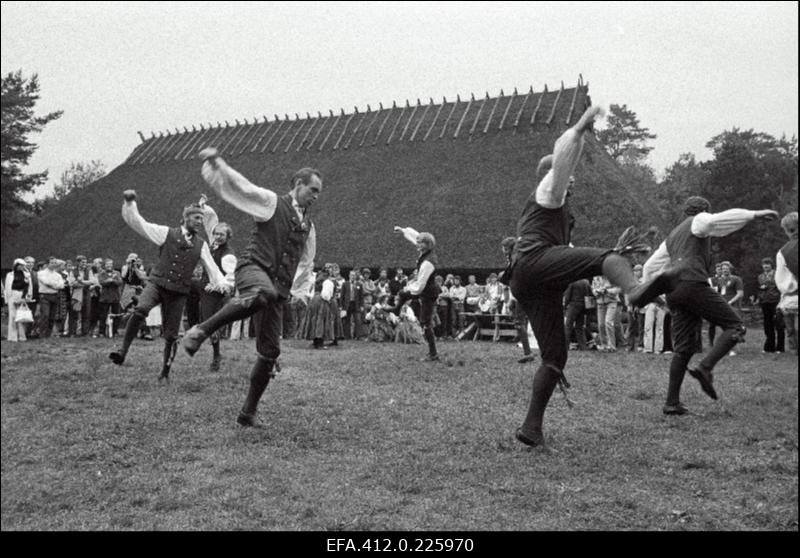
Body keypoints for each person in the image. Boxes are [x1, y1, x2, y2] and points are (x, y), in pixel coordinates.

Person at [504, 105, 677, 448]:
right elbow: (563, 157)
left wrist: (598, 262)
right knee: (610, 258)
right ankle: (636, 291)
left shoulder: (556, 211)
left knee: (555, 356)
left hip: (530, 279)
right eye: (567, 177)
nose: (571, 182)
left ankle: (531, 428)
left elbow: (569, 255)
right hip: (533, 264)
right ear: (554, 175)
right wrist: (578, 130)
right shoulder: (548, 194)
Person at [182, 147, 319, 427]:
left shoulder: (309, 226)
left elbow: (306, 261)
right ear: (298, 185)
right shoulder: (271, 202)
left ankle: (247, 414)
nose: (316, 196)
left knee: (270, 352)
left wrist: (301, 292)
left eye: (318, 192)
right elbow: (242, 187)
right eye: (313, 190)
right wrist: (218, 164)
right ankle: (200, 331)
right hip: (253, 269)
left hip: (277, 290)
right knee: (262, 293)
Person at [642, 196, 778, 415]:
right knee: (735, 327)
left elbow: (649, 269)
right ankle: (705, 368)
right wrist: (754, 215)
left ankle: (671, 402)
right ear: (702, 210)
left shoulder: (672, 237)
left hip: (674, 292)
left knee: (683, 349)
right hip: (692, 284)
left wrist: (659, 301)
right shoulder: (698, 221)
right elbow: (714, 222)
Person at [108, 190, 225, 381]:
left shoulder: (201, 245)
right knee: (141, 310)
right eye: (196, 217)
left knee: (171, 335)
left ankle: (165, 371)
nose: (199, 222)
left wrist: (224, 285)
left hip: (178, 292)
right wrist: (130, 204)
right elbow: (140, 224)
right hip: (157, 283)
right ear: (185, 218)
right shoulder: (166, 233)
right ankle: (122, 351)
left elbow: (213, 270)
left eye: (201, 219)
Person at [388, 226, 441, 361]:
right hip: (426, 290)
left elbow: (420, 285)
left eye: (420, 243)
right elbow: (416, 237)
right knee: (403, 294)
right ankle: (396, 308)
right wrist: (403, 230)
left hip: (427, 292)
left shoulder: (428, 263)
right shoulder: (426, 251)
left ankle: (433, 353)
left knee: (425, 322)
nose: (417, 244)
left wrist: (407, 289)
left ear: (427, 245)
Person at [501, 236, 536, 362]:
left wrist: (513, 298)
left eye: (505, 248)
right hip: (520, 294)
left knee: (519, 323)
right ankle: (529, 351)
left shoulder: (516, 261)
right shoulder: (514, 259)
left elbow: (516, 280)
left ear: (510, 249)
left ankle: (528, 352)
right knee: (522, 323)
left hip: (521, 294)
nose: (503, 250)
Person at [775, 211, 798, 355]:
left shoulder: (783, 252)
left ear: (790, 230)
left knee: (793, 329)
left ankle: (795, 350)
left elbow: (781, 281)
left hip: (793, 297)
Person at [754, 257, 785, 354]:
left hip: (776, 301)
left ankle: (780, 348)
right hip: (765, 302)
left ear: (771, 265)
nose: (766, 266)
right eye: (764, 264)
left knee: (779, 324)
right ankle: (769, 347)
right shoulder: (760, 276)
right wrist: (758, 299)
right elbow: (760, 289)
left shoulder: (777, 274)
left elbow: (782, 288)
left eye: (768, 264)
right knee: (767, 325)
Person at [4, 259, 31, 342]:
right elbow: (7, 287)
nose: (22, 267)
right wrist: (7, 299)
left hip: (22, 295)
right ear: (16, 265)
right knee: (12, 316)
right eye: (20, 265)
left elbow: (29, 287)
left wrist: (27, 296)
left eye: (23, 266)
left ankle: (22, 336)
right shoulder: (10, 275)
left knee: (21, 316)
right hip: (12, 295)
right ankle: (12, 337)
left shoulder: (26, 274)